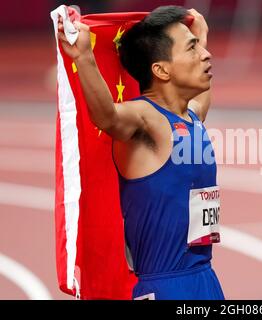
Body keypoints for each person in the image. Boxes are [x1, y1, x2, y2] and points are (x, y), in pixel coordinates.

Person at [57, 5, 224, 300]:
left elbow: (202, 101)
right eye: (192, 49)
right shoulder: (144, 120)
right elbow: (107, 116)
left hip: (205, 278)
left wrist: (201, 37)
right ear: (161, 70)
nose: (206, 55)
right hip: (165, 287)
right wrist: (84, 58)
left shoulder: (190, 118)